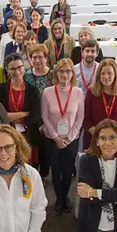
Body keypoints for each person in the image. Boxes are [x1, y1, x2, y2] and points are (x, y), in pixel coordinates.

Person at [41, 58, 85, 215]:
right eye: (61, 71)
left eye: (68, 71)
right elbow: (44, 117)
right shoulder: (48, 92)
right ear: (56, 73)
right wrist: (56, 137)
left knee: (67, 171)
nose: (64, 74)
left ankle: (65, 196)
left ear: (72, 73)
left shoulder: (78, 92)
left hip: (71, 139)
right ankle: (59, 198)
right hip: (52, 139)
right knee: (56, 169)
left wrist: (70, 137)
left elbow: (80, 118)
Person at [0, 53, 43, 167]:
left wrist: (12, 117)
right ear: (7, 70)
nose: (17, 72)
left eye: (19, 67)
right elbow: (0, 115)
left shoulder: (32, 90)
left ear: (24, 67)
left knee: (28, 168)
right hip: (7, 134)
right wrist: (24, 113)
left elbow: (35, 115)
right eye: (12, 68)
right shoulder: (0, 89)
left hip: (28, 135)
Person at [83, 58, 117, 149]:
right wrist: (100, 137)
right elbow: (87, 118)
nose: (106, 77)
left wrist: (115, 136)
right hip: (94, 139)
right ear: (98, 75)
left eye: (109, 73)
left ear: (115, 74)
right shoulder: (91, 92)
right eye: (103, 73)